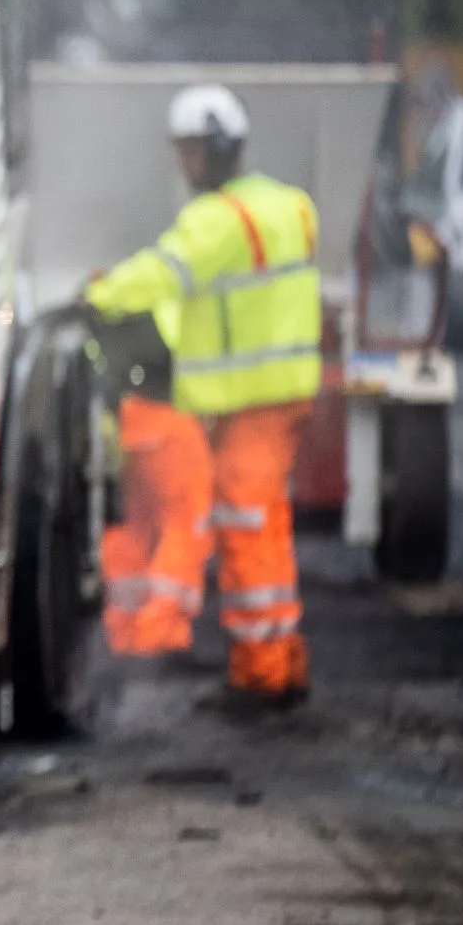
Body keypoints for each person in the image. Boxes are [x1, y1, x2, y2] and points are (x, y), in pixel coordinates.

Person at [84, 84, 322, 703]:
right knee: (267, 525)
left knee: (244, 527)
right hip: (287, 395)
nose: (182, 165)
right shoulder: (292, 206)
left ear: (214, 150)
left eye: (188, 151)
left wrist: (97, 295)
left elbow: (162, 273)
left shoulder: (216, 222)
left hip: (247, 402)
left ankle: (263, 675)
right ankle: (282, 659)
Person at [93, 305, 214, 658]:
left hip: (129, 423)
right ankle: (161, 633)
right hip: (171, 422)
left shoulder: (116, 310)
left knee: (131, 526)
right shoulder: (177, 296)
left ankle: (124, 630)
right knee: (185, 526)